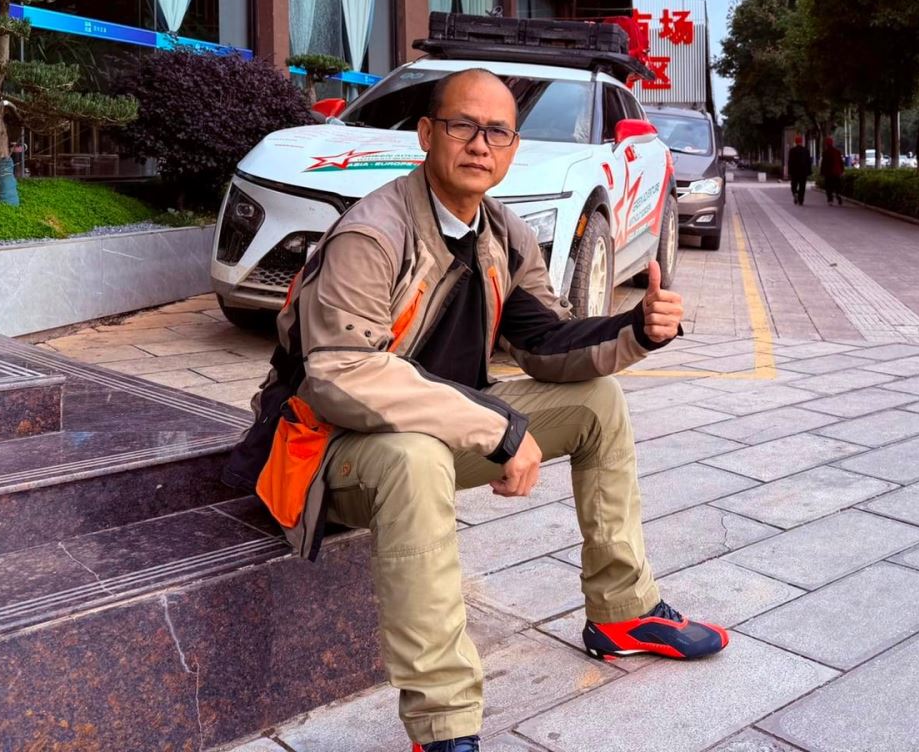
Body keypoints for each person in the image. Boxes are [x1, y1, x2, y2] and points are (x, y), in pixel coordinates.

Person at [229, 68, 727, 752]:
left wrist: (637, 329)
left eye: (498, 131)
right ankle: (444, 726)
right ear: (426, 135)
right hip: (326, 449)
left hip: (436, 429)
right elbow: (340, 375)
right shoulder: (372, 235)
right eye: (462, 125)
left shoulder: (504, 235)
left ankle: (622, 611)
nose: (479, 144)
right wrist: (497, 429)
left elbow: (547, 344)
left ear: (513, 148)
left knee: (596, 402)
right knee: (413, 458)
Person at [786, 136, 812, 205]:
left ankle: (795, 193)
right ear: (801, 142)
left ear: (795, 142)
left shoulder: (792, 151)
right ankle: (801, 200)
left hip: (794, 172)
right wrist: (809, 171)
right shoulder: (806, 150)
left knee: (793, 185)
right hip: (803, 172)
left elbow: (790, 162)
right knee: (802, 186)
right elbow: (808, 162)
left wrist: (789, 172)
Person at [819, 136, 845, 205]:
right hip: (836, 172)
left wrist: (821, 173)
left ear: (826, 144)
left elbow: (823, 164)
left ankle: (830, 200)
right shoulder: (837, 152)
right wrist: (842, 171)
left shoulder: (825, 153)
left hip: (828, 173)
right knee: (837, 185)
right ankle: (838, 195)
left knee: (828, 187)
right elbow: (841, 162)